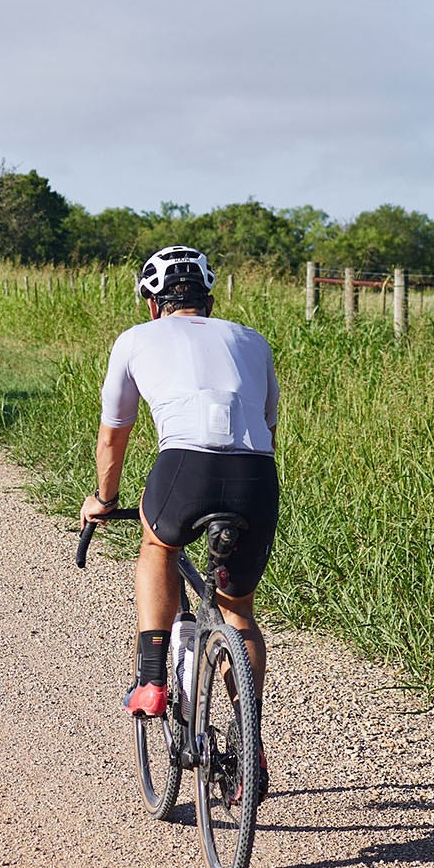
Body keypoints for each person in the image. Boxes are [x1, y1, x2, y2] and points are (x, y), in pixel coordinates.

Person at [78, 245, 281, 735]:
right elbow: (270, 425)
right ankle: (248, 740)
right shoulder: (254, 341)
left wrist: (105, 500)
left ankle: (152, 680)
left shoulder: (136, 339)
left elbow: (113, 434)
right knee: (239, 613)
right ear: (209, 299)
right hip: (256, 475)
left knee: (157, 547)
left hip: (185, 467)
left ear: (152, 303)